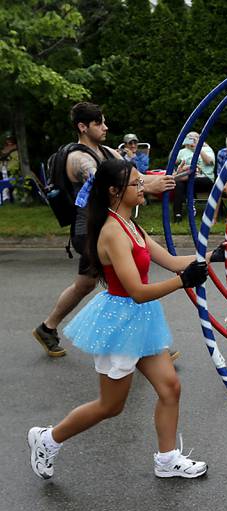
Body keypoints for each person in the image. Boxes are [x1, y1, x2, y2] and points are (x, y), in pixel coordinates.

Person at [27, 158, 227, 481]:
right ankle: (48, 439)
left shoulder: (132, 226)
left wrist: (211, 257)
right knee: (110, 406)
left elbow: (167, 259)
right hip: (120, 321)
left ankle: (166, 460)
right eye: (136, 183)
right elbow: (137, 291)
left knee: (170, 387)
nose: (143, 187)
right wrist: (184, 281)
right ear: (114, 192)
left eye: (141, 181)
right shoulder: (111, 232)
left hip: (141, 320)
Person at [32, 102, 176, 359]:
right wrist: (150, 186)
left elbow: (136, 177)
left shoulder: (109, 152)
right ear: (83, 126)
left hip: (110, 227)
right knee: (128, 289)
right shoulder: (79, 160)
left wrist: (168, 176)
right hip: (90, 234)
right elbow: (111, 185)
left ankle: (47, 327)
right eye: (99, 123)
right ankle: (148, 350)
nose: (105, 127)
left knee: (85, 285)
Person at [174, 132, 215, 223]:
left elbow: (210, 162)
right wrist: (177, 146)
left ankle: (190, 204)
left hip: (204, 179)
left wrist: (198, 147)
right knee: (178, 184)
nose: (191, 140)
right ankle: (177, 215)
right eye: (189, 138)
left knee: (182, 180)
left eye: (194, 138)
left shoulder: (206, 149)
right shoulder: (182, 151)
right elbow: (172, 161)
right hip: (186, 179)